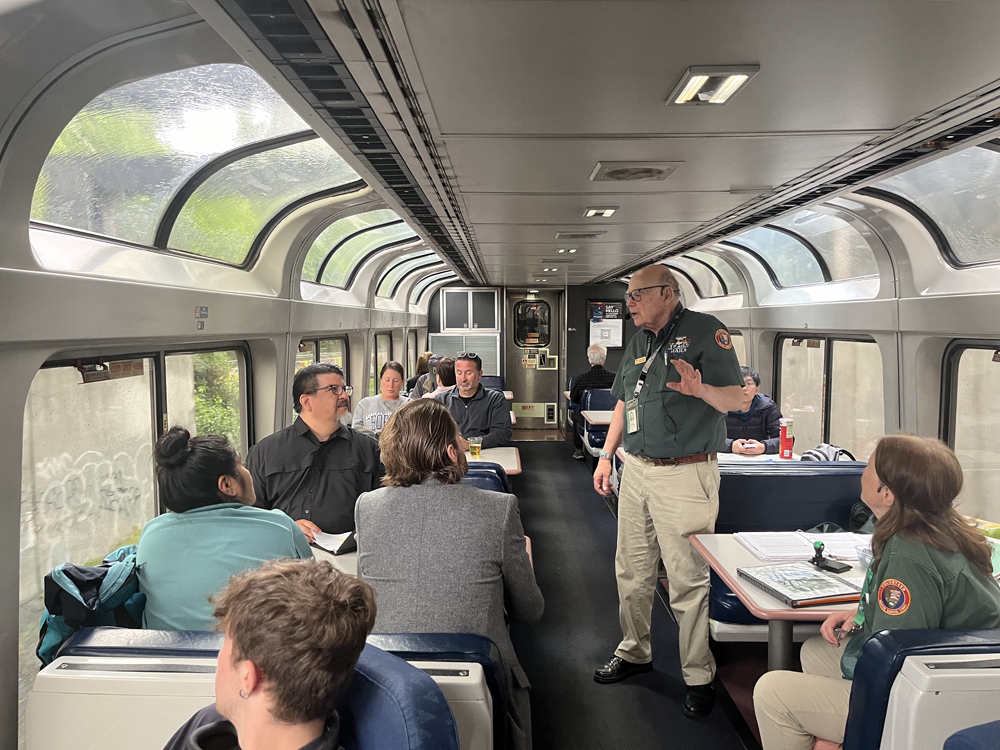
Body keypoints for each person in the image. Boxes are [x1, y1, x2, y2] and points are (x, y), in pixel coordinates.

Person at [753, 434, 1000, 750]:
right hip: (966, 670)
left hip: (925, 690)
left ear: (887, 493)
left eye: (870, 466)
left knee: (772, 692)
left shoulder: (909, 553)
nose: (863, 471)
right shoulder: (943, 528)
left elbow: (898, 654)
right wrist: (861, 613)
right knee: (814, 651)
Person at [591, 264, 743, 718]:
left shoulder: (706, 332)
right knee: (632, 570)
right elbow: (624, 401)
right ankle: (635, 651)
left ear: (668, 293)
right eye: (628, 296)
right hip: (635, 468)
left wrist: (702, 391)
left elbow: (737, 399)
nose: (629, 303)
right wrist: (605, 455)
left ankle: (698, 674)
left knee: (687, 580)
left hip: (685, 473)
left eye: (637, 295)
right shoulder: (639, 340)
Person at [355, 398, 543, 750]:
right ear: (451, 452)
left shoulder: (368, 506)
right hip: (481, 678)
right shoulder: (498, 508)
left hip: (388, 679)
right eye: (458, 437)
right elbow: (530, 610)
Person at [163, 559, 377, 750]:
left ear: (249, 677)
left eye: (225, 646)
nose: (220, 659)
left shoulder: (207, 725)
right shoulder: (209, 723)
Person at [137, 426, 312, 631]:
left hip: (167, 658)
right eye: (242, 465)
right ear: (228, 485)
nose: (248, 471)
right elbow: (312, 599)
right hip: (258, 658)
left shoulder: (151, 534)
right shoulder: (281, 527)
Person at [247, 362, 380, 541]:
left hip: (349, 555)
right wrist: (287, 527)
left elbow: (383, 510)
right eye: (334, 389)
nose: (344, 396)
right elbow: (251, 514)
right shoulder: (265, 452)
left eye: (344, 389)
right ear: (306, 401)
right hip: (286, 552)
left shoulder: (370, 449)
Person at [434, 352, 513, 450]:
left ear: (479, 374)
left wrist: (471, 444)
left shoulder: (495, 399)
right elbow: (433, 433)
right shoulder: (440, 400)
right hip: (450, 455)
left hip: (484, 454)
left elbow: (502, 433)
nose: (463, 379)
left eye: (468, 373)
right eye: (459, 373)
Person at [570, 343, 617, 460]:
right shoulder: (614, 378)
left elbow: (574, 398)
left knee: (576, 413)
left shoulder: (582, 379)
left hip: (586, 418)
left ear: (589, 359)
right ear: (604, 359)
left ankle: (579, 450)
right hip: (612, 417)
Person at [725, 366, 782, 455]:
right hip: (727, 457)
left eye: (749, 383)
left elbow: (785, 439)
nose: (744, 388)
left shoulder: (767, 406)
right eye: (739, 383)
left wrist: (764, 447)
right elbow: (709, 438)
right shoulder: (720, 406)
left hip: (759, 458)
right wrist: (730, 445)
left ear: (757, 390)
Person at [352, 361, 408, 436]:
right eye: (387, 380)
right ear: (381, 380)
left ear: (402, 381)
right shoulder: (364, 404)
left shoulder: (409, 406)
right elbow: (356, 434)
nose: (391, 385)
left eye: (395, 381)